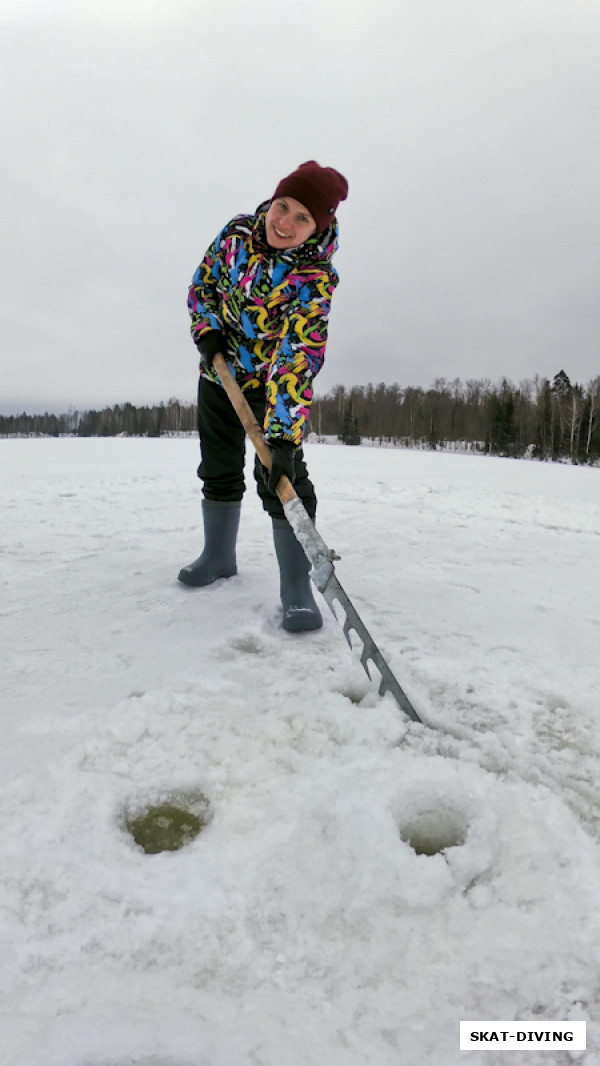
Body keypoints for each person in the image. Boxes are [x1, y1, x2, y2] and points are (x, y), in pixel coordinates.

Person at [178, 160, 348, 632]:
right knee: (217, 468)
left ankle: (296, 588)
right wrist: (208, 333)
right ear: (272, 200)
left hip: (272, 391)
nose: (285, 222)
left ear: (319, 227)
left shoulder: (313, 277)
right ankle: (217, 557)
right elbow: (202, 287)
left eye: (302, 218)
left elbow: (300, 353)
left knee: (282, 480)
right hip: (218, 376)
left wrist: (284, 437)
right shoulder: (234, 235)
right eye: (283, 206)